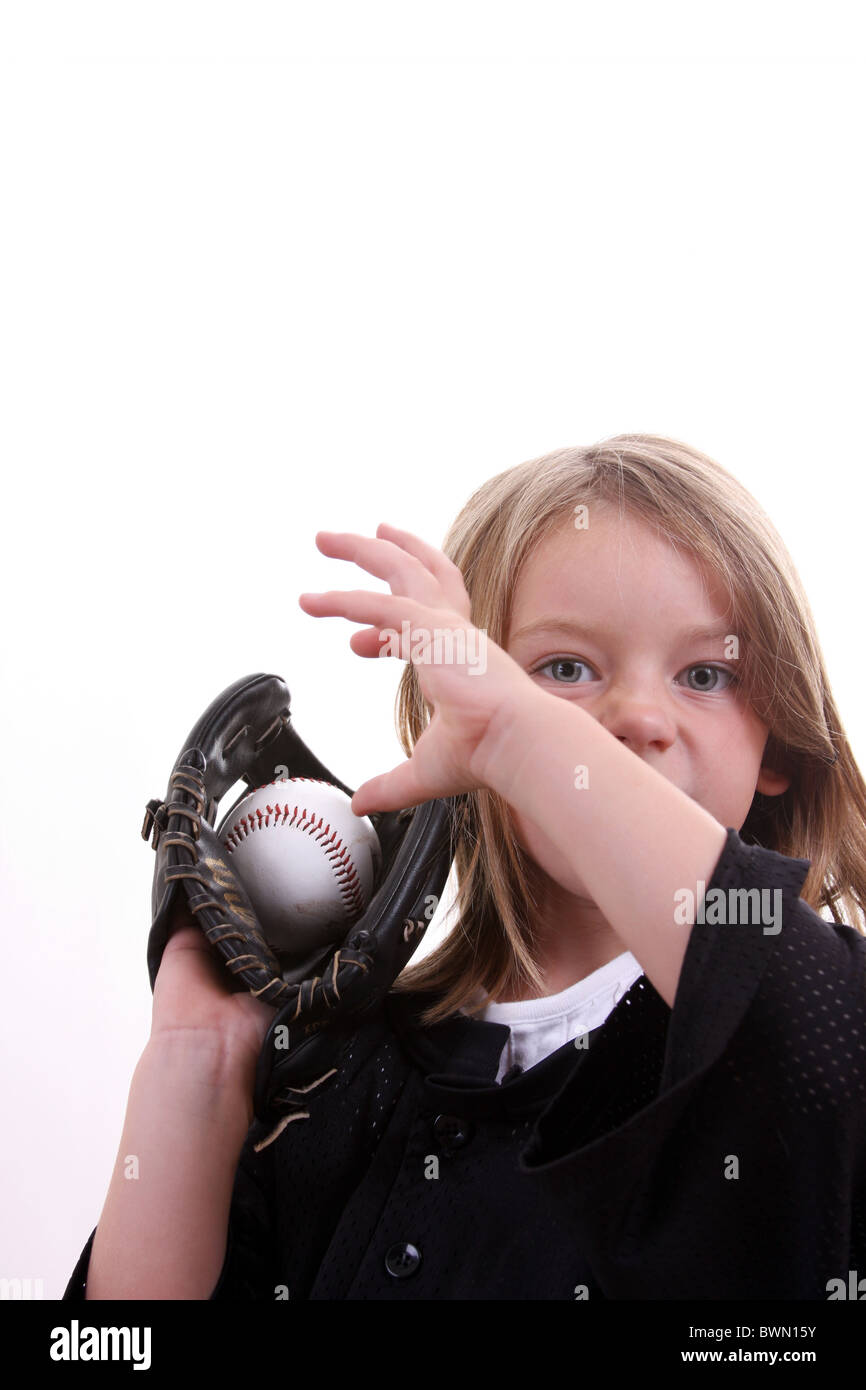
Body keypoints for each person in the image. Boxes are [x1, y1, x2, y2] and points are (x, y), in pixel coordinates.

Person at [63, 433, 866, 1300]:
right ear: (451, 721)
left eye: (705, 673)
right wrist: (199, 1065)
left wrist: (526, 731)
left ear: (778, 742)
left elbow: (804, 1017)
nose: (638, 716)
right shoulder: (330, 1075)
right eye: (564, 668)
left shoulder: (800, 1027)